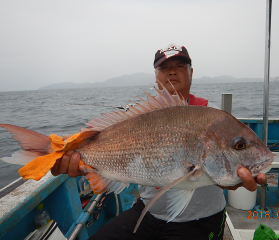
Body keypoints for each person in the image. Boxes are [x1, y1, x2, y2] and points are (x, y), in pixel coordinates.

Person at [51, 45, 267, 240]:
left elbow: (215, 168)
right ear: (156, 77)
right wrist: (71, 153)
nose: (172, 71)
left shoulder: (216, 120)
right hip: (148, 211)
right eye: (164, 68)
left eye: (180, 66)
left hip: (200, 219)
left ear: (191, 73)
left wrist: (227, 179)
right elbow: (95, 138)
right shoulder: (135, 118)